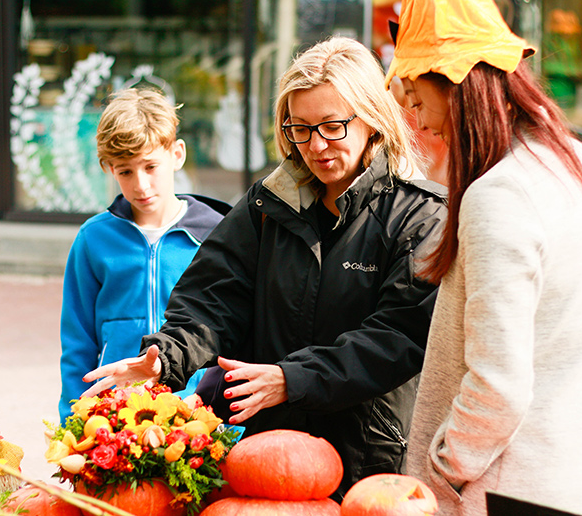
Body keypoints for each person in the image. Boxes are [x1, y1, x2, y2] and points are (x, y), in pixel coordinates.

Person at [82, 36, 447, 497]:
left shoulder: (419, 215)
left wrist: (291, 380)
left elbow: (396, 338)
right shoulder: (266, 205)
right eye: (300, 128)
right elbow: (213, 299)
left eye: (333, 126)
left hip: (367, 461)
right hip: (268, 454)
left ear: (372, 120)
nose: (316, 145)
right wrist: (168, 356)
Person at [385, 0, 582, 514]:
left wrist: (437, 477)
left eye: (415, 95)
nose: (416, 117)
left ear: (454, 81)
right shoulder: (575, 163)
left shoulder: (500, 195)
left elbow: (497, 387)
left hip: (518, 491)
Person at [57, 88, 228, 423]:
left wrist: (216, 411)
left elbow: (233, 333)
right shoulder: (94, 239)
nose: (141, 184)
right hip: (114, 419)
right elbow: (77, 342)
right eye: (126, 172)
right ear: (109, 168)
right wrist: (72, 422)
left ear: (177, 154)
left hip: (196, 415)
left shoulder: (216, 234)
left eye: (151, 166)